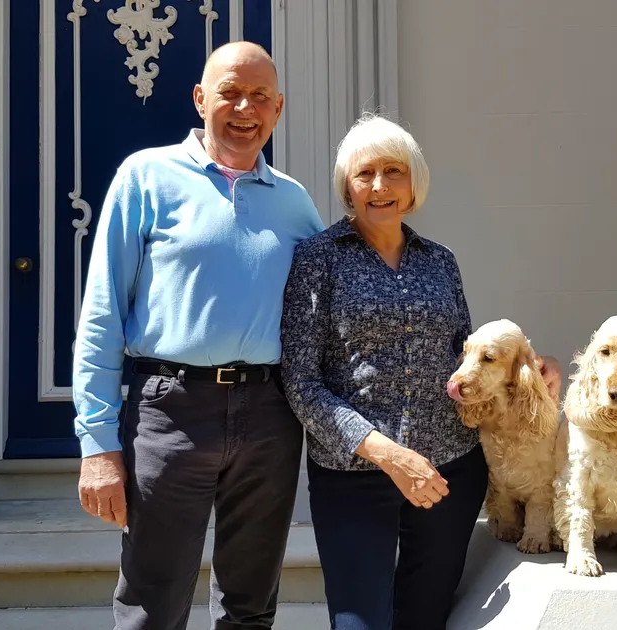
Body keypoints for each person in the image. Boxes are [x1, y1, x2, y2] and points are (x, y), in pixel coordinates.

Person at [71, 41, 326, 630]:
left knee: (251, 601)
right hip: (171, 410)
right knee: (152, 601)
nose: (244, 107)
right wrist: (98, 447)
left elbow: (342, 304)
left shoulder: (292, 201)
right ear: (199, 98)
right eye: (230, 92)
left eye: (260, 96)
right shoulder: (146, 177)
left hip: (269, 415)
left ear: (278, 108)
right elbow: (102, 317)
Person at [280, 113, 562, 630]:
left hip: (450, 470)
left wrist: (532, 367)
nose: (380, 186)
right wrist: (386, 453)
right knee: (359, 622)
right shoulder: (317, 260)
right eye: (365, 174)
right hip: (356, 475)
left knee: (425, 618)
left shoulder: (440, 262)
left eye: (394, 171)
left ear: (414, 184)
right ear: (348, 185)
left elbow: (470, 357)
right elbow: (301, 383)